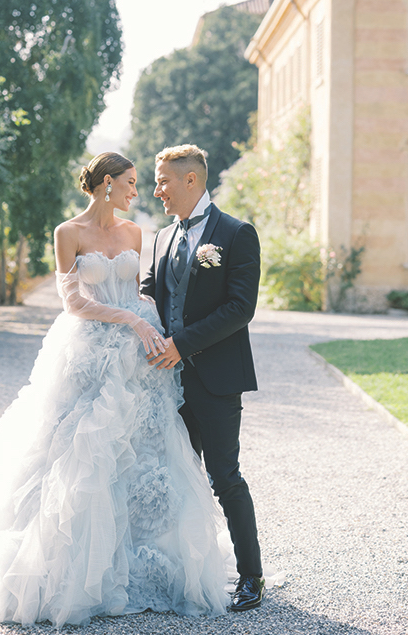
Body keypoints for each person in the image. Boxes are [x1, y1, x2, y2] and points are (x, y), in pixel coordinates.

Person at [0, 152, 229, 628]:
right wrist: (132, 317)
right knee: (76, 450)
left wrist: (155, 322)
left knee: (143, 452)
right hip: (89, 351)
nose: (139, 191)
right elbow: (73, 300)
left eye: (142, 182)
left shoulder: (137, 233)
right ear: (107, 183)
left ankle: (145, 562)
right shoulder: (67, 233)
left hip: (137, 357)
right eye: (132, 182)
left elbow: (146, 291)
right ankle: (71, 572)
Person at [140, 144, 265, 612]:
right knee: (171, 475)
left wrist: (182, 345)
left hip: (215, 380)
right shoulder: (159, 237)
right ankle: (182, 571)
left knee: (224, 476)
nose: (157, 190)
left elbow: (240, 308)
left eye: (163, 181)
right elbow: (151, 297)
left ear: (191, 180)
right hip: (163, 384)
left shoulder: (235, 234)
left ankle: (251, 575)